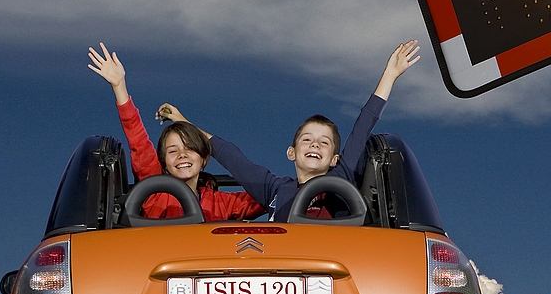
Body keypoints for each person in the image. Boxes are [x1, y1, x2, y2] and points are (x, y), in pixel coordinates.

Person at [156, 40, 420, 222]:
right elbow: (230, 156)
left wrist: (389, 75)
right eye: (307, 140)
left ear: (335, 158)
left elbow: (363, 125)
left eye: (324, 143)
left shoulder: (341, 179)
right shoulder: (275, 190)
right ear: (291, 152)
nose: (314, 145)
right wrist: (183, 121)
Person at [87, 42, 265, 222]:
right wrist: (120, 87)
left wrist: (182, 120)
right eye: (173, 151)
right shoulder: (155, 195)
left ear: (204, 158)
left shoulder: (221, 203)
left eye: (190, 148)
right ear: (163, 163)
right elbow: (138, 140)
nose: (182, 155)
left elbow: (269, 193)